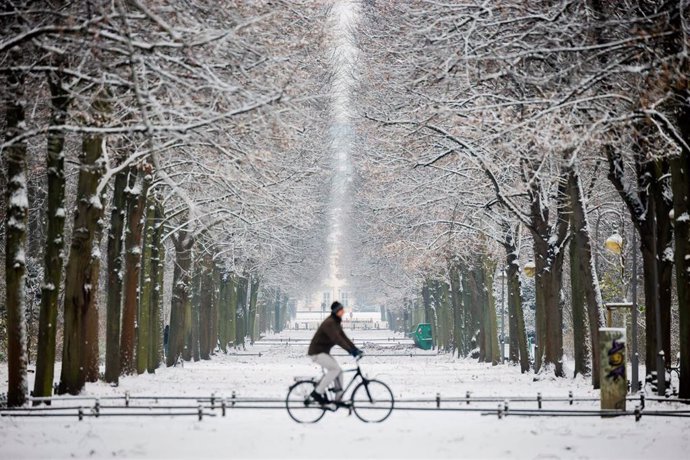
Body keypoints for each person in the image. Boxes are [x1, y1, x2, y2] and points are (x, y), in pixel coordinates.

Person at [308, 301, 363, 404]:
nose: (343, 312)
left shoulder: (335, 322)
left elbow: (344, 337)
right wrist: (350, 351)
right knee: (335, 369)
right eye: (341, 310)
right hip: (316, 352)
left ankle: (338, 399)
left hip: (323, 352)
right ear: (336, 311)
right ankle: (317, 393)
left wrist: (355, 349)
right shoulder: (330, 323)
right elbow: (337, 339)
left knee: (339, 371)